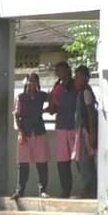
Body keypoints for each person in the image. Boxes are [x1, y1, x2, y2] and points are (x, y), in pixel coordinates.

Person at [11, 73, 51, 199]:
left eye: (34, 81)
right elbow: (17, 115)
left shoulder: (41, 95)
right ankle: (20, 191)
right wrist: (21, 132)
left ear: (38, 83)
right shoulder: (21, 97)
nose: (32, 84)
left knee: (42, 162)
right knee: (23, 164)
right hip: (25, 132)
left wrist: (45, 110)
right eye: (30, 81)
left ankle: (43, 190)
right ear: (26, 83)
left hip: (39, 131)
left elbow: (53, 101)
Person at [48, 61, 78, 199]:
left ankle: (88, 188)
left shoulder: (76, 85)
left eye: (60, 70)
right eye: (56, 71)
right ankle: (66, 190)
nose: (57, 73)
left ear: (67, 70)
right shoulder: (57, 88)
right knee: (62, 161)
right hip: (61, 127)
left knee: (79, 159)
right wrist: (50, 101)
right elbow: (52, 111)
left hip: (74, 127)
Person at [72, 66, 98, 199]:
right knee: (81, 161)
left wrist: (92, 133)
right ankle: (89, 189)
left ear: (85, 78)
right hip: (81, 130)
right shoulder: (81, 92)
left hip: (85, 132)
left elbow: (90, 113)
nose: (75, 79)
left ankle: (87, 190)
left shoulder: (86, 92)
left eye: (78, 76)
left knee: (85, 161)